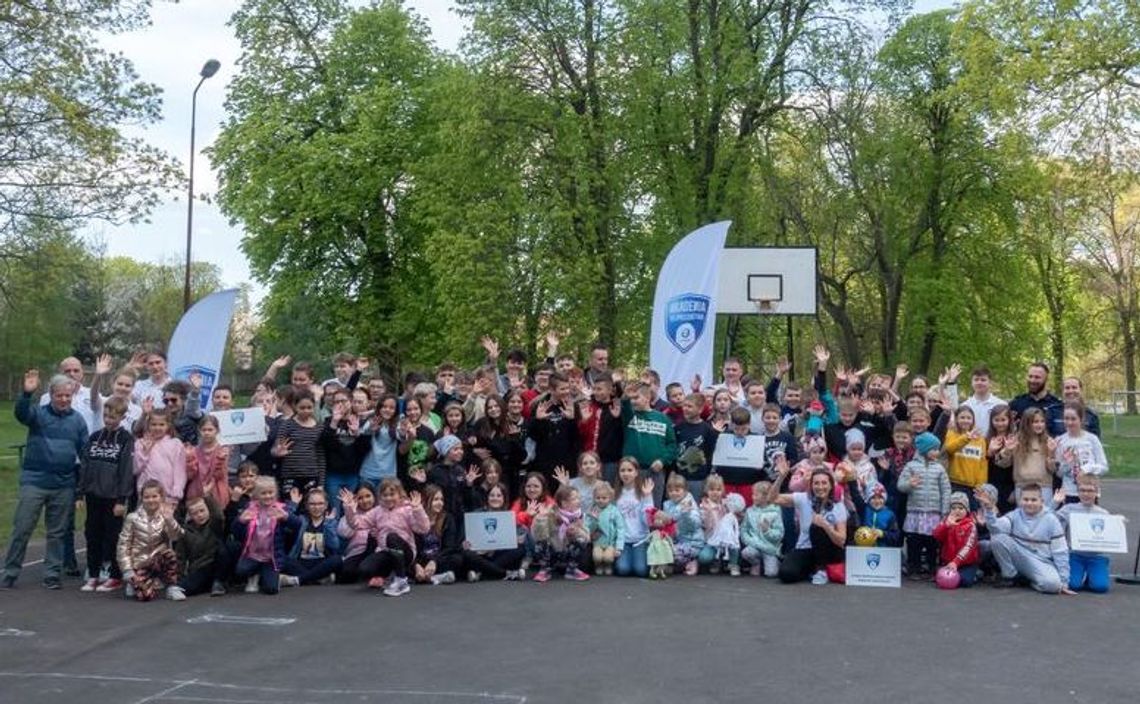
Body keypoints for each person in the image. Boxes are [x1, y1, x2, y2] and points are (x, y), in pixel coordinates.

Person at [3, 372, 92, 590]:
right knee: (22, 528)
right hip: (34, 482)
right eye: (59, 395)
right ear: (51, 395)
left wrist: (80, 488)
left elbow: (85, 454)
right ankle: (10, 573)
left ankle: (52, 574)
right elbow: (21, 414)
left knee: (57, 533)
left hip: (64, 484)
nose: (64, 399)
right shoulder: (38, 414)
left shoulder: (78, 420)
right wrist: (26, 394)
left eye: (67, 396)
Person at [77, 396, 135, 592]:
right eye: (106, 416)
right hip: (93, 495)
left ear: (122, 417)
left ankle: (115, 575)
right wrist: (80, 493)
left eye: (113, 417)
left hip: (113, 498)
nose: (109, 420)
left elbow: (126, 470)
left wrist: (122, 499)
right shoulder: (95, 437)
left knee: (113, 537)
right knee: (92, 535)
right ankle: (93, 574)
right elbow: (85, 465)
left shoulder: (126, 439)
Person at [340, 478, 430, 597]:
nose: (388, 498)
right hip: (386, 551)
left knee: (391, 537)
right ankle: (389, 576)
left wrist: (418, 509)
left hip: (405, 552)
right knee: (364, 569)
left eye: (392, 494)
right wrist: (349, 508)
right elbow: (357, 524)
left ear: (399, 494)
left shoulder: (407, 509)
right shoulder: (377, 511)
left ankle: (401, 581)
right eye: (385, 495)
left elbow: (424, 529)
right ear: (380, 496)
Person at [977, 483, 1072, 594]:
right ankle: (1010, 576)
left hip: (1041, 562)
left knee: (1053, 586)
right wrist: (989, 509)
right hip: (1020, 556)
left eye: (1033, 500)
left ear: (1042, 501)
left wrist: (1064, 581)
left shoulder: (1052, 520)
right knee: (997, 537)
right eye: (1026, 499)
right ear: (1020, 500)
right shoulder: (1014, 515)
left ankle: (1029, 580)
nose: (1029, 503)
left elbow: (1060, 552)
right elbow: (995, 528)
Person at [770, 462, 848, 585]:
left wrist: (826, 526)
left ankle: (821, 569)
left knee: (817, 526)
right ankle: (811, 570)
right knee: (786, 574)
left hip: (828, 551)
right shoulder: (803, 498)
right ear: (811, 486)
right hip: (805, 548)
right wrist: (781, 477)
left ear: (830, 485)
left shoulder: (838, 506)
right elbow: (772, 499)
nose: (820, 487)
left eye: (824, 483)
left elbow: (841, 541)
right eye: (816, 483)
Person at [117, 480, 185, 601]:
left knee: (170, 555)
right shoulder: (132, 518)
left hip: (158, 560)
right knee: (146, 596)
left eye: (154, 496)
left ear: (161, 497)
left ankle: (172, 587)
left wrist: (170, 520)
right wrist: (127, 569)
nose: (151, 500)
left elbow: (176, 536)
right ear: (141, 498)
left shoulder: (165, 516)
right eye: (147, 497)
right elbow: (123, 545)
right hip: (140, 563)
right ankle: (135, 582)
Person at [897, 432, 950, 580]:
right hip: (915, 511)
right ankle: (914, 567)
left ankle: (932, 568)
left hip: (934, 512)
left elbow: (946, 490)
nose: (937, 452)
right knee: (914, 541)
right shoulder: (911, 466)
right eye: (934, 449)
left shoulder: (939, 468)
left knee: (932, 541)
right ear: (925, 449)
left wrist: (944, 510)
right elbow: (900, 485)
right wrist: (909, 484)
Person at [232, 476, 292, 595]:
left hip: (271, 557)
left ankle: (270, 577)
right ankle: (254, 575)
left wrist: (286, 517)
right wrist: (240, 521)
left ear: (275, 493)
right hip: (253, 555)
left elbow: (298, 525)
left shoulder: (281, 508)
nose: (267, 496)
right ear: (256, 495)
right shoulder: (249, 508)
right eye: (263, 493)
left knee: (271, 589)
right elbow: (235, 531)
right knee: (240, 571)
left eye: (270, 492)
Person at [1053, 475, 1111, 593]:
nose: (1086, 494)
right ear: (1077, 492)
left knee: (1100, 587)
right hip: (1075, 555)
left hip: (1096, 556)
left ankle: (1091, 575)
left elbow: (1111, 535)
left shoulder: (1104, 513)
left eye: (1090, 491)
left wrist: (1119, 524)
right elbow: (1049, 520)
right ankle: (1082, 574)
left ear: (1097, 492)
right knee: (1072, 585)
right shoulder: (1068, 509)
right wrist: (1054, 503)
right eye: (1082, 490)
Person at [621, 382, 677, 506]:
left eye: (636, 398)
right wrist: (625, 397)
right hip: (631, 471)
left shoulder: (663, 419)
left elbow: (672, 445)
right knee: (630, 507)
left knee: (653, 508)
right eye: (631, 399)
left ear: (647, 398)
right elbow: (625, 407)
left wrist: (662, 461)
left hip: (655, 472)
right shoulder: (630, 416)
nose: (633, 401)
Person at [461, 482, 527, 581]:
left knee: (520, 549)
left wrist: (517, 539)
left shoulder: (508, 516)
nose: (495, 498)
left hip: (499, 555)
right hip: (481, 555)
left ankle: (481, 573)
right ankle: (506, 573)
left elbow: (518, 536)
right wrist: (466, 543)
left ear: (504, 498)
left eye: (499, 496)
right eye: (492, 495)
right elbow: (467, 538)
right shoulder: (477, 514)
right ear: (487, 498)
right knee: (467, 554)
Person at [280, 488, 342, 587]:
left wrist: (328, 525)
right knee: (282, 559)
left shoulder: (330, 521)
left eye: (320, 503)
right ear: (306, 505)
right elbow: (285, 520)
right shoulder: (301, 520)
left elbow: (335, 546)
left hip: (322, 562)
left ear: (326, 505)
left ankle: (297, 580)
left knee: (337, 559)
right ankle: (318, 579)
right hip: (301, 562)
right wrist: (293, 505)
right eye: (312, 504)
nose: (316, 507)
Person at [531, 485, 591, 582]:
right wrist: (541, 518)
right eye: (574, 499)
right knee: (540, 544)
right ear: (564, 503)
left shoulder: (578, 515)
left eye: (578, 498)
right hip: (552, 551)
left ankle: (571, 570)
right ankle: (545, 569)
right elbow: (538, 536)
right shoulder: (550, 514)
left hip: (566, 552)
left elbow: (587, 537)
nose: (578, 501)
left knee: (581, 540)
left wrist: (576, 532)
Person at [176, 496, 232, 597]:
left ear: (208, 510)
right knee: (183, 587)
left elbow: (218, 515)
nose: (200, 515)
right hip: (200, 567)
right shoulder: (185, 531)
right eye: (195, 513)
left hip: (215, 565)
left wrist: (207, 496)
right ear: (190, 516)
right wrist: (179, 576)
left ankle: (219, 582)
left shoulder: (214, 525)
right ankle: (207, 585)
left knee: (225, 549)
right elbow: (180, 556)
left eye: (202, 511)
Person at [1053, 402, 1108, 502]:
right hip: (1070, 493)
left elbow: (1104, 467)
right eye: (1066, 418)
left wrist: (1086, 469)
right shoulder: (1060, 441)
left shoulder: (1092, 439)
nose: (1069, 422)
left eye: (1073, 419)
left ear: (1081, 419)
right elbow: (1059, 473)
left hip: (1090, 492)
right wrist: (1068, 463)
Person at [133, 409, 186, 508]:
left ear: (168, 425)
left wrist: (176, 493)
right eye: (154, 424)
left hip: (167, 497)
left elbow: (179, 471)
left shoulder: (175, 444)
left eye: (161, 425)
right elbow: (136, 469)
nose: (157, 428)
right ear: (148, 425)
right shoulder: (140, 443)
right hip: (146, 497)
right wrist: (145, 453)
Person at [613, 457, 652, 578]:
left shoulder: (643, 492)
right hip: (623, 541)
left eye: (630, 470)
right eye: (622, 470)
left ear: (636, 472)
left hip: (640, 539)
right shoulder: (615, 493)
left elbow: (648, 521)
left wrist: (647, 497)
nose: (626, 474)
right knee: (623, 569)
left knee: (641, 570)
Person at [931, 491, 980, 588]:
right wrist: (946, 526)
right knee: (942, 580)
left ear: (966, 510)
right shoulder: (946, 521)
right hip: (948, 561)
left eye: (961, 508)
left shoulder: (970, 525)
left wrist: (956, 562)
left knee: (964, 582)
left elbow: (968, 546)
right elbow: (936, 536)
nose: (957, 511)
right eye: (953, 508)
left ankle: (977, 573)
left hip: (966, 563)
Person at [661, 474, 704, 576]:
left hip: (692, 543)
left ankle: (692, 561)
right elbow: (668, 524)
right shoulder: (667, 504)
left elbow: (695, 524)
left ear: (685, 490)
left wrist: (686, 514)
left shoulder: (689, 504)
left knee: (671, 554)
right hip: (676, 541)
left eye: (677, 490)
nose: (674, 493)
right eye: (671, 491)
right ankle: (676, 566)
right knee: (660, 550)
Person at [741, 480, 784, 577]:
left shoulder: (775, 512)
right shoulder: (750, 511)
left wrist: (767, 531)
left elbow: (779, 533)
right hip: (755, 545)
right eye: (753, 494)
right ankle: (756, 563)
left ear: (766, 496)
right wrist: (751, 541)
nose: (753, 497)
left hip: (769, 548)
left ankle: (776, 563)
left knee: (771, 573)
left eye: (756, 495)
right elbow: (744, 530)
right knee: (746, 553)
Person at [944, 405, 987, 498]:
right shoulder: (951, 433)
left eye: (968, 418)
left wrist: (981, 483)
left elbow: (982, 463)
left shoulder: (980, 439)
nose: (965, 420)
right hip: (954, 483)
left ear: (973, 420)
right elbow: (949, 449)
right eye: (962, 417)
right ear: (956, 419)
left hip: (973, 486)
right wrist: (966, 438)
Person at [337, 483, 377, 584]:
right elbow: (344, 534)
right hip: (357, 552)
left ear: (374, 496)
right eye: (360, 498)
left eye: (368, 496)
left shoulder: (381, 512)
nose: (365, 500)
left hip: (377, 552)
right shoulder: (350, 513)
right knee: (347, 572)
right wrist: (351, 511)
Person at [587, 483, 623, 576]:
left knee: (608, 557)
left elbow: (620, 528)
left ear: (610, 498)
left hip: (610, 543)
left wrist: (619, 547)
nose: (601, 500)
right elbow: (588, 528)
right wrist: (594, 520)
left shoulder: (614, 511)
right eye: (598, 498)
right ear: (594, 498)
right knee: (597, 557)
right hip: (597, 543)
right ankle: (598, 565)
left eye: (604, 498)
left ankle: (608, 565)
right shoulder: (592, 510)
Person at [960, 366, 1005, 442]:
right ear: (972, 382)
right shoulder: (964, 405)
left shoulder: (1001, 404)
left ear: (990, 383)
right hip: (970, 445)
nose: (979, 382)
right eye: (976, 380)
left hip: (995, 444)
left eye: (983, 380)